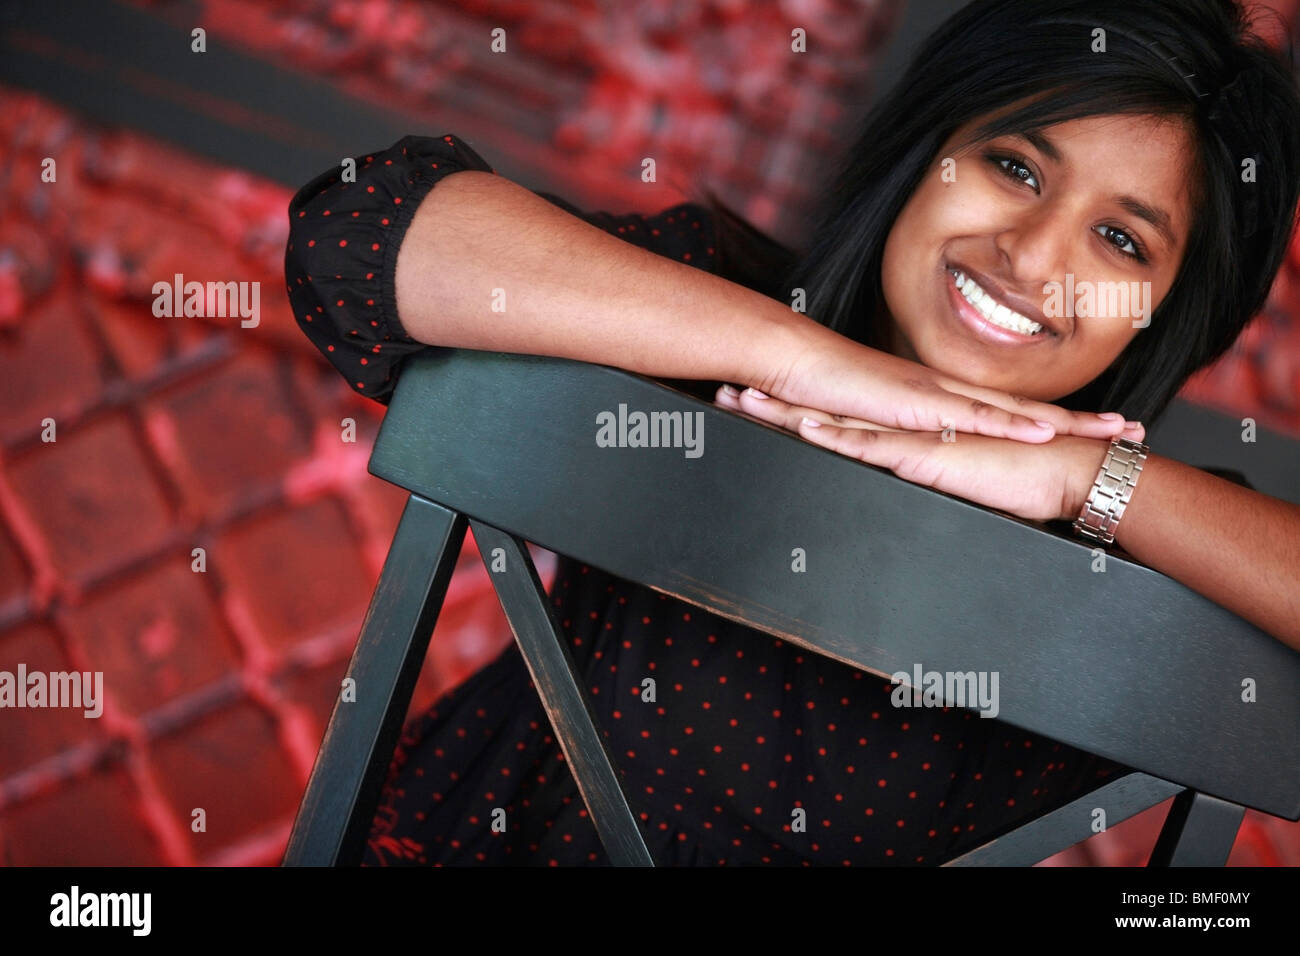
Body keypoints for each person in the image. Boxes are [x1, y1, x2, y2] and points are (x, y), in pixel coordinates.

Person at [283, 0, 1300, 865]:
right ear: (925, 151)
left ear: (1170, 310)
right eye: (1014, 166)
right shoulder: (722, 305)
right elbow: (356, 232)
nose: (1032, 257)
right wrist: (806, 356)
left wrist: (1084, 481)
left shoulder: (1156, 537)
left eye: (1120, 238)